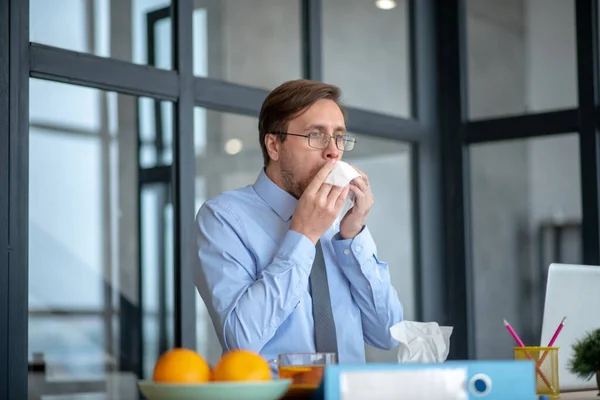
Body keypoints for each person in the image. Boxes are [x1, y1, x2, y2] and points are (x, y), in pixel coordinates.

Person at [193, 79, 404, 366]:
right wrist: (303, 235)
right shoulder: (222, 218)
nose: (333, 151)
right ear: (274, 145)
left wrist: (354, 236)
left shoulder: (342, 224)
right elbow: (242, 342)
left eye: (339, 137)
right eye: (316, 135)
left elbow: (388, 335)